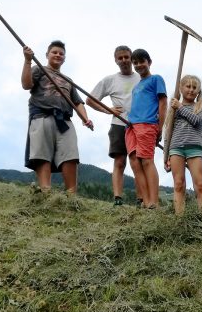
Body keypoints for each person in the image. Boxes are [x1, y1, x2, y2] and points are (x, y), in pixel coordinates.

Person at [21, 40, 93, 193]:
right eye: (54, 52)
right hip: (42, 116)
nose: (58, 55)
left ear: (64, 59)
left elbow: (78, 102)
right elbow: (26, 85)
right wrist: (27, 61)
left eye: (61, 54)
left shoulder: (68, 80)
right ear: (47, 55)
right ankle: (46, 191)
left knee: (70, 155)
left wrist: (85, 119)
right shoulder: (39, 69)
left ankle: (71, 196)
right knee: (42, 154)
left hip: (64, 120)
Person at [87, 46, 141, 207]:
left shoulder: (140, 78)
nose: (124, 60)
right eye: (120, 58)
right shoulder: (109, 80)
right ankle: (118, 198)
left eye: (126, 57)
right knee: (119, 161)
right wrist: (107, 110)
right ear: (115, 60)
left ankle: (141, 198)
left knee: (137, 162)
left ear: (131, 58)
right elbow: (90, 100)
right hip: (118, 124)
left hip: (138, 125)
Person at [125, 48, 167, 209]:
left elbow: (163, 103)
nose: (138, 65)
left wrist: (160, 127)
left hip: (147, 124)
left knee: (147, 161)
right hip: (131, 126)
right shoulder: (136, 86)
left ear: (149, 62)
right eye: (135, 63)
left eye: (141, 61)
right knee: (135, 162)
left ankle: (154, 202)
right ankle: (145, 200)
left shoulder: (156, 79)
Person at [166, 75, 202, 215]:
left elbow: (197, 121)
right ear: (181, 88)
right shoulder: (173, 107)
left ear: (198, 91)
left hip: (194, 148)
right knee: (178, 184)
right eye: (188, 86)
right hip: (176, 148)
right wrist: (166, 155)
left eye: (194, 87)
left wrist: (180, 107)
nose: (191, 90)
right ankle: (180, 218)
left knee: (200, 185)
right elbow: (168, 132)